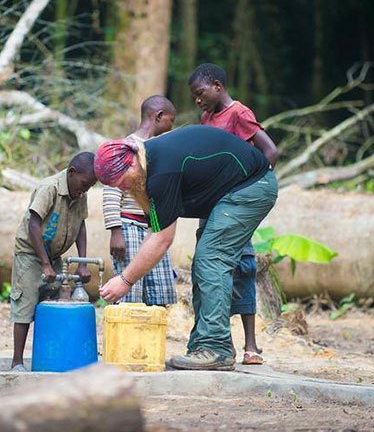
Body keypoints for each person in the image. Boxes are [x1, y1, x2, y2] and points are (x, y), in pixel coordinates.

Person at [95, 125, 278, 371]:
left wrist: (125, 280)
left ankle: (216, 348)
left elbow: (162, 239)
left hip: (252, 187)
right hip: (229, 193)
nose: (121, 189)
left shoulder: (161, 171)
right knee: (205, 261)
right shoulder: (148, 169)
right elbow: (154, 232)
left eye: (121, 183)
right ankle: (204, 345)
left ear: (131, 165)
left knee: (211, 259)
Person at [188, 62, 279, 365]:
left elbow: (270, 151)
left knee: (241, 267)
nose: (197, 100)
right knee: (209, 268)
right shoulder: (206, 117)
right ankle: (211, 339)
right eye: (194, 96)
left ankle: (249, 345)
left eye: (200, 93)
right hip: (213, 204)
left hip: (235, 205)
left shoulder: (239, 113)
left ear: (217, 85)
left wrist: (246, 189)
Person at [9, 152, 97, 371]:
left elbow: (81, 226)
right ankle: (17, 361)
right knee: (25, 304)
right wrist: (45, 264)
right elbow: (34, 224)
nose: (85, 190)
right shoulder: (49, 188)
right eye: (84, 184)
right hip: (31, 254)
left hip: (54, 255)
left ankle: (54, 354)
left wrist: (83, 262)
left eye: (89, 187)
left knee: (57, 302)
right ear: (72, 172)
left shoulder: (80, 192)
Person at [103, 95, 177, 306]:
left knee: (160, 288)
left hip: (153, 227)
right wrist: (115, 231)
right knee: (129, 290)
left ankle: (151, 332)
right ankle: (128, 334)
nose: (171, 127)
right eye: (170, 121)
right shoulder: (127, 148)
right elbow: (111, 191)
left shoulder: (161, 150)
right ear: (159, 116)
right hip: (129, 225)